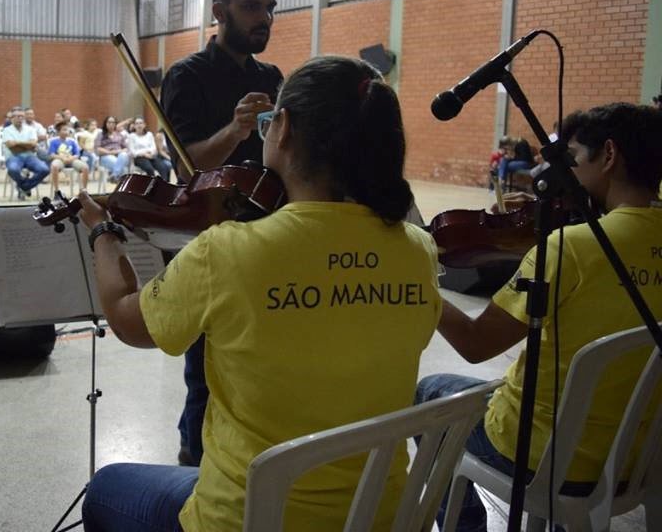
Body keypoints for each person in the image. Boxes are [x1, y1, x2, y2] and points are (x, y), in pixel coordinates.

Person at [78, 55, 439, 531]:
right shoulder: (418, 249)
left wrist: (102, 232)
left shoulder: (228, 249)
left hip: (247, 517)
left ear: (282, 128)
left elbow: (128, 321)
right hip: (377, 517)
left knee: (106, 487)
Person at [416, 102, 662, 531]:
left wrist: (421, 287)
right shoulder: (580, 242)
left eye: (572, 157)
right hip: (640, 456)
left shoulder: (571, 248)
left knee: (430, 391)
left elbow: (476, 344)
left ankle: (466, 525)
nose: (564, 172)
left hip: (543, 456)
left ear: (608, 154)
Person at [159, 0, 284, 467]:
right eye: (252, 7)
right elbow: (186, 165)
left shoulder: (272, 76)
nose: (265, 19)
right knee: (206, 371)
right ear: (219, 11)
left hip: (267, 234)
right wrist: (236, 130)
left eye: (270, 8)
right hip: (209, 238)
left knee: (258, 363)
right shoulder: (186, 76)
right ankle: (194, 462)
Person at [3, 108, 49, 200]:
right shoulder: (7, 130)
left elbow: (33, 144)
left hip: (30, 157)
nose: (20, 119)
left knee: (44, 169)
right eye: (18, 116)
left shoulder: (30, 129)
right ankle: (25, 186)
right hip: (13, 157)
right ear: (12, 118)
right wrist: (27, 145)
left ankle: (24, 186)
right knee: (13, 169)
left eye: (22, 117)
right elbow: (12, 147)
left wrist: (17, 143)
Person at [47, 122, 89, 193]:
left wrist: (71, 158)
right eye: (64, 130)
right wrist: (62, 158)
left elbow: (77, 154)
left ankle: (84, 190)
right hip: (59, 159)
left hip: (72, 159)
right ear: (58, 132)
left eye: (67, 130)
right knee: (54, 166)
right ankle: (57, 191)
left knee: (85, 167)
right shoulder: (53, 141)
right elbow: (52, 154)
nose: (66, 131)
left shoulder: (72, 141)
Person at [96, 115, 130, 180]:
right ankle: (116, 177)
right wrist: (110, 152)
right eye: (109, 122)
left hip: (120, 156)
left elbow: (126, 148)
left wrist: (118, 151)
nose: (111, 124)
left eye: (113, 122)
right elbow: (97, 149)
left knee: (123, 155)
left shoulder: (119, 135)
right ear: (105, 124)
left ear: (115, 124)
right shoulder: (101, 134)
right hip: (106, 156)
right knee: (122, 168)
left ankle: (114, 176)